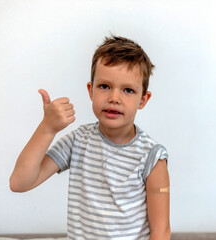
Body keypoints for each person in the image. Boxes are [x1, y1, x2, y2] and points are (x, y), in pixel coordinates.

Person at [10, 35, 170, 240]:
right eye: (104, 86)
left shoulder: (152, 157)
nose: (114, 98)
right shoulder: (77, 141)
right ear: (91, 90)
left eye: (128, 90)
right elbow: (19, 183)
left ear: (143, 99)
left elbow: (161, 231)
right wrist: (47, 128)